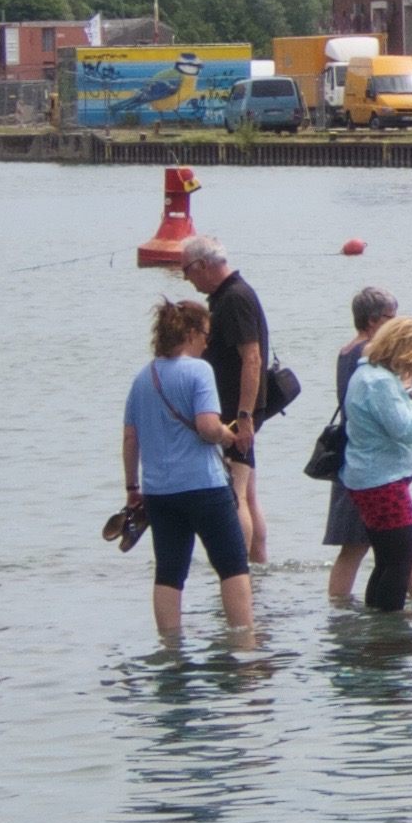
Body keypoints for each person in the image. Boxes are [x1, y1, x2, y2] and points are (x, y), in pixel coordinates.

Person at [124, 298, 254, 634]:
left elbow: (130, 440)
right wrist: (228, 436)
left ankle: (170, 648)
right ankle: (243, 643)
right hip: (204, 486)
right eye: (206, 335)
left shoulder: (143, 377)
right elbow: (208, 426)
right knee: (232, 565)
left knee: (169, 572)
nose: (207, 343)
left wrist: (131, 489)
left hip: (159, 492)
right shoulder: (199, 370)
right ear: (192, 333)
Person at [339, 316, 412, 612]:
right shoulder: (379, 381)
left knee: (386, 559)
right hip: (382, 481)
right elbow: (404, 429)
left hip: (367, 478)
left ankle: (377, 623)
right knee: (401, 561)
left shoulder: (365, 373)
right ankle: (389, 630)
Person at [177, 240, 278, 563]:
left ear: (203, 265)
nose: (186, 278)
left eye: (186, 270)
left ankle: (237, 572)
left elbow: (252, 358)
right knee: (247, 491)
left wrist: (245, 417)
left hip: (237, 413)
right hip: (239, 409)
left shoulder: (234, 299)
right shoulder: (228, 296)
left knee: (235, 494)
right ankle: (257, 565)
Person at [322, 283, 402, 606]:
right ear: (372, 322)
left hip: (350, 456)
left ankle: (338, 608)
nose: (395, 324)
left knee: (355, 546)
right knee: (399, 542)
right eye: (390, 318)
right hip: (367, 460)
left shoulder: (346, 351)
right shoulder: (368, 354)